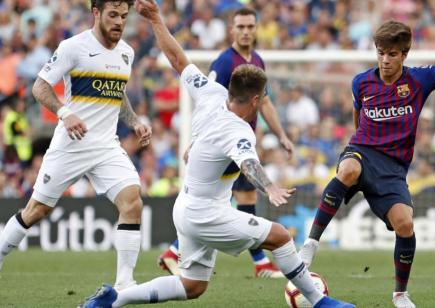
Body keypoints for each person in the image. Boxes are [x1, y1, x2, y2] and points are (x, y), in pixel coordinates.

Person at [81, 1, 354, 307]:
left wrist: (157, 19)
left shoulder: (210, 92)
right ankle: (320, 302)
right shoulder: (239, 130)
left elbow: (177, 59)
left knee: (193, 286)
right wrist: (270, 187)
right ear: (255, 100)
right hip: (206, 213)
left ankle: (113, 300)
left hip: (185, 205)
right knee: (280, 236)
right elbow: (248, 164)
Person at [298, 20, 435, 308]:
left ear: (404, 55)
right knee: (348, 170)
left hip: (393, 170)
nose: (385, 60)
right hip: (362, 151)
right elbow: (358, 120)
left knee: (405, 224)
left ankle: (400, 294)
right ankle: (311, 244)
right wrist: (356, 147)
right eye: (381, 53)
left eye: (392, 54)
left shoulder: (419, 81)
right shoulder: (360, 82)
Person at [0, 0, 152, 292]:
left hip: (106, 146)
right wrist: (65, 113)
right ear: (96, 13)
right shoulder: (73, 47)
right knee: (36, 211)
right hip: (71, 144)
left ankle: (124, 283)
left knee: (132, 200)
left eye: (124, 16)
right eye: (113, 15)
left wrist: (134, 122)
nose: (119, 22)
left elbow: (117, 92)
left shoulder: (126, 53)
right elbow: (40, 87)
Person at [157, 7, 294, 279]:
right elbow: (211, 105)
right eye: (240, 27)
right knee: (241, 198)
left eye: (250, 26)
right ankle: (260, 262)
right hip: (226, 145)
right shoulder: (223, 63)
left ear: (256, 29)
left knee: (231, 201)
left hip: (242, 143)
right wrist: (196, 142)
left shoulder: (257, 61)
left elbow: (264, 103)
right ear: (232, 30)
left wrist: (281, 135)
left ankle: (175, 251)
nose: (245, 31)